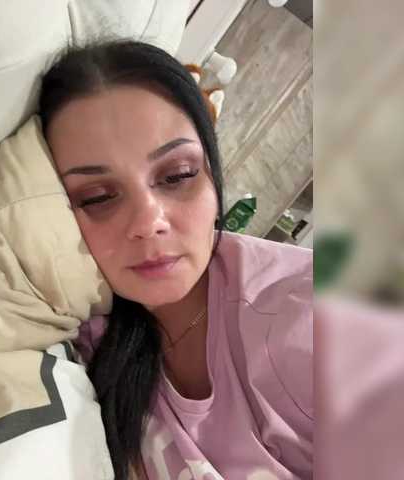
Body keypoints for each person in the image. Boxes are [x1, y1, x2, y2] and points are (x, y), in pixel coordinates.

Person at [39, 40, 312, 480]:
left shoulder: (307, 316)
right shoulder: (85, 332)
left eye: (177, 175)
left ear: (212, 174)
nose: (149, 222)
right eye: (98, 197)